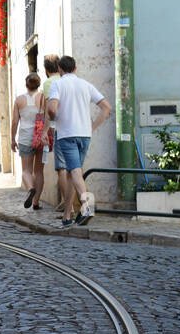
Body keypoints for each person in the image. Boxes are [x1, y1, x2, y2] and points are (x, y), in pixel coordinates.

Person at [45, 55, 112, 228]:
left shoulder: (57, 84)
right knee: (72, 175)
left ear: (60, 69)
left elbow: (51, 108)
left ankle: (87, 206)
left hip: (67, 134)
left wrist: (54, 118)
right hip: (84, 134)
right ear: (75, 68)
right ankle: (67, 215)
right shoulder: (86, 85)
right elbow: (106, 107)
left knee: (74, 172)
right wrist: (94, 126)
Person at [11, 72, 46, 209]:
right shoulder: (43, 98)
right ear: (38, 84)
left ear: (26, 85)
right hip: (40, 137)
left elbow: (15, 122)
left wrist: (12, 139)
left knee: (26, 170)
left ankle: (30, 188)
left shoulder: (19, 100)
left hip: (25, 138)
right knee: (39, 172)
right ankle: (36, 202)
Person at [41, 52, 62, 209]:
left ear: (46, 69)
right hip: (71, 126)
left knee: (61, 169)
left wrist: (44, 131)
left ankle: (66, 203)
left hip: (57, 128)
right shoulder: (63, 79)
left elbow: (50, 108)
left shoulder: (48, 83)